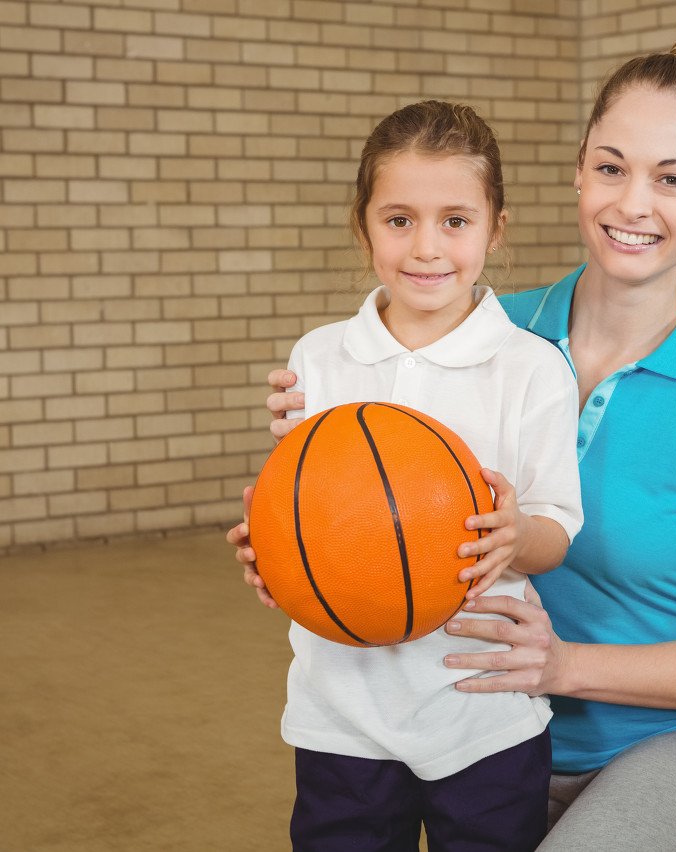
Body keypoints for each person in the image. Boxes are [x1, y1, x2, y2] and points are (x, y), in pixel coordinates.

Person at [233, 39, 676, 850]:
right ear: (579, 172)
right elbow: (361, 477)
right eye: (612, 168)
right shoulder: (486, 329)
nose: (633, 204)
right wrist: (302, 498)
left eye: (672, 178)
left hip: (670, 736)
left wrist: (565, 666)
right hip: (485, 719)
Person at [231, 99, 584, 851]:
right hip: (342, 712)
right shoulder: (317, 359)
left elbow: (555, 534)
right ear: (363, 226)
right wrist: (273, 550)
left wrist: (515, 535)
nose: (427, 247)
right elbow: (305, 515)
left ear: (496, 227)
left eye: (455, 220)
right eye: (399, 220)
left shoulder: (532, 369)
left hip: (483, 708)